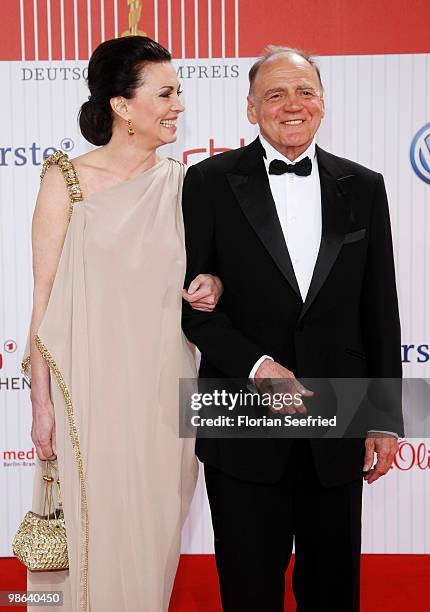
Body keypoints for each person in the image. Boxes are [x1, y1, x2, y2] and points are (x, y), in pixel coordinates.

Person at [181, 46, 403, 611]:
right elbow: (187, 305)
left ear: (323, 104)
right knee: (249, 589)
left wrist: (382, 418)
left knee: (333, 591)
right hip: (240, 418)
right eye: (275, 94)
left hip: (337, 420)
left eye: (304, 92)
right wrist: (259, 368)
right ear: (251, 108)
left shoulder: (365, 185)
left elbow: (379, 304)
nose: (292, 105)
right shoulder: (205, 183)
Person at [22, 36, 223, 612]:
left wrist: (213, 285)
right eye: (164, 94)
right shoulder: (67, 179)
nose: (178, 106)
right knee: (92, 534)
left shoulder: (184, 183)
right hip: (85, 392)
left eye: (179, 93)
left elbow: (206, 277)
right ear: (121, 105)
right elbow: (43, 298)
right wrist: (41, 402)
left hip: (164, 393)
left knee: (153, 540)